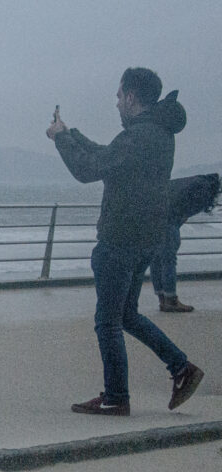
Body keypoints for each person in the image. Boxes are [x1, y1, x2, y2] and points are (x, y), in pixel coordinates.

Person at [46, 67, 203, 416]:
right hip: (145, 239)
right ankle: (181, 368)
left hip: (120, 241)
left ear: (131, 97)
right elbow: (107, 157)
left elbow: (88, 170)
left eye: (119, 96)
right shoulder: (156, 132)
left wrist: (60, 138)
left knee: (108, 322)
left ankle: (116, 397)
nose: (116, 103)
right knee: (127, 315)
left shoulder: (141, 135)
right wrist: (71, 134)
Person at [151, 173, 221, 312]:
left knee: (156, 259)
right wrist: (178, 221)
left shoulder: (193, 181)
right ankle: (171, 300)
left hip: (154, 218)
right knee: (169, 260)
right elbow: (185, 210)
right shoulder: (204, 188)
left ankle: (162, 299)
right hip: (168, 221)